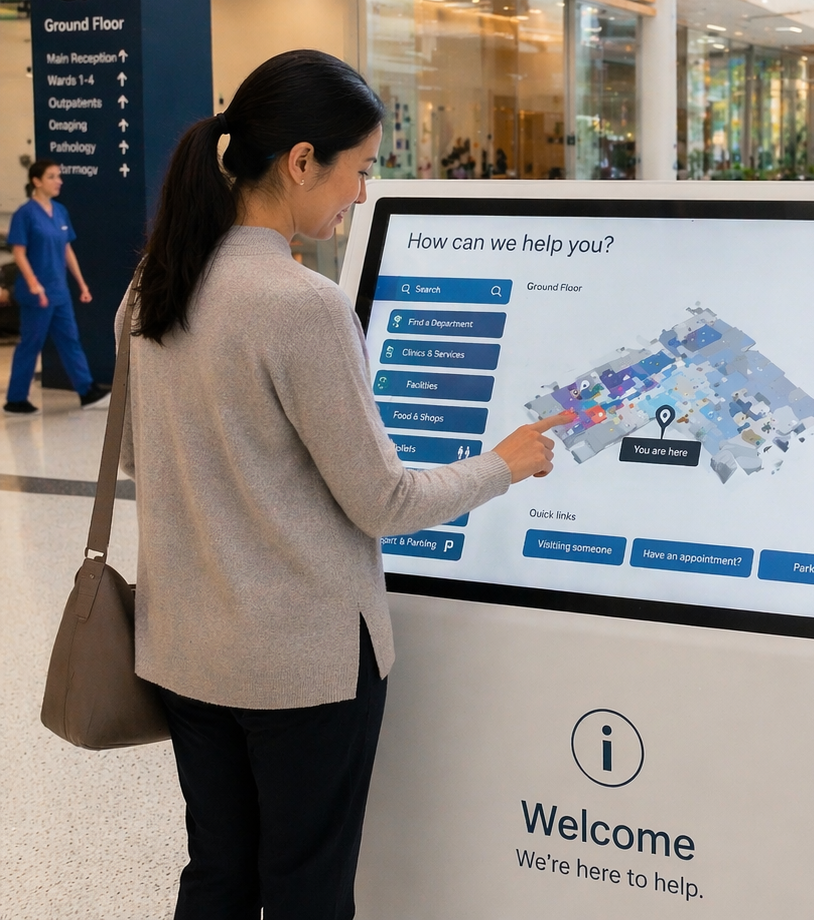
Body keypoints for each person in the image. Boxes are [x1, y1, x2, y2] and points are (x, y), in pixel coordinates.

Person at [120, 50, 571, 917]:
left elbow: (148, 460)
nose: (362, 194)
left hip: (182, 650)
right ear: (299, 162)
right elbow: (384, 501)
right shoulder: (301, 305)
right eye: (358, 170)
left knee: (216, 875)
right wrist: (504, 464)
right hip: (301, 670)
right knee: (307, 892)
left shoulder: (151, 287)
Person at [4, 160, 110, 414]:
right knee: (31, 343)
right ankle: (15, 399)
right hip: (36, 293)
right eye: (52, 176)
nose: (59, 181)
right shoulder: (25, 214)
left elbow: (66, 250)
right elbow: (18, 253)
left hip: (59, 291)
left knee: (70, 340)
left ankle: (87, 391)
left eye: (59, 176)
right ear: (37, 181)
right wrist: (34, 285)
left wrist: (82, 283)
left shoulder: (60, 211)